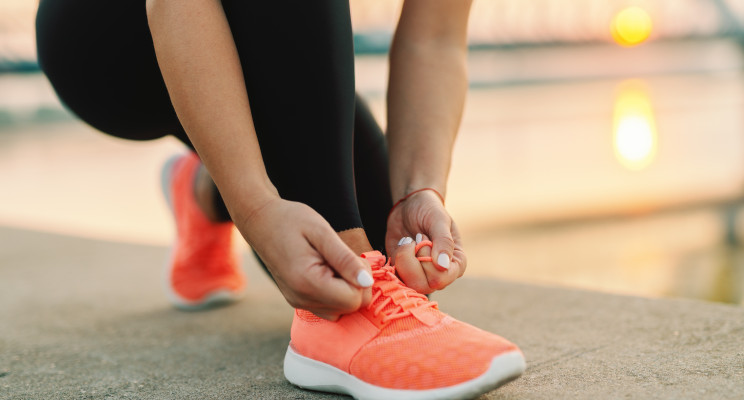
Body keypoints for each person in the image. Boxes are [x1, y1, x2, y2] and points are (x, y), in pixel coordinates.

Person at [36, 0, 525, 398]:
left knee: (377, 244)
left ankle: (201, 191)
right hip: (109, 41)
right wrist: (255, 207)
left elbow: (434, 36)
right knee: (343, 271)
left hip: (272, 44)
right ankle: (332, 301)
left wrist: (419, 190)